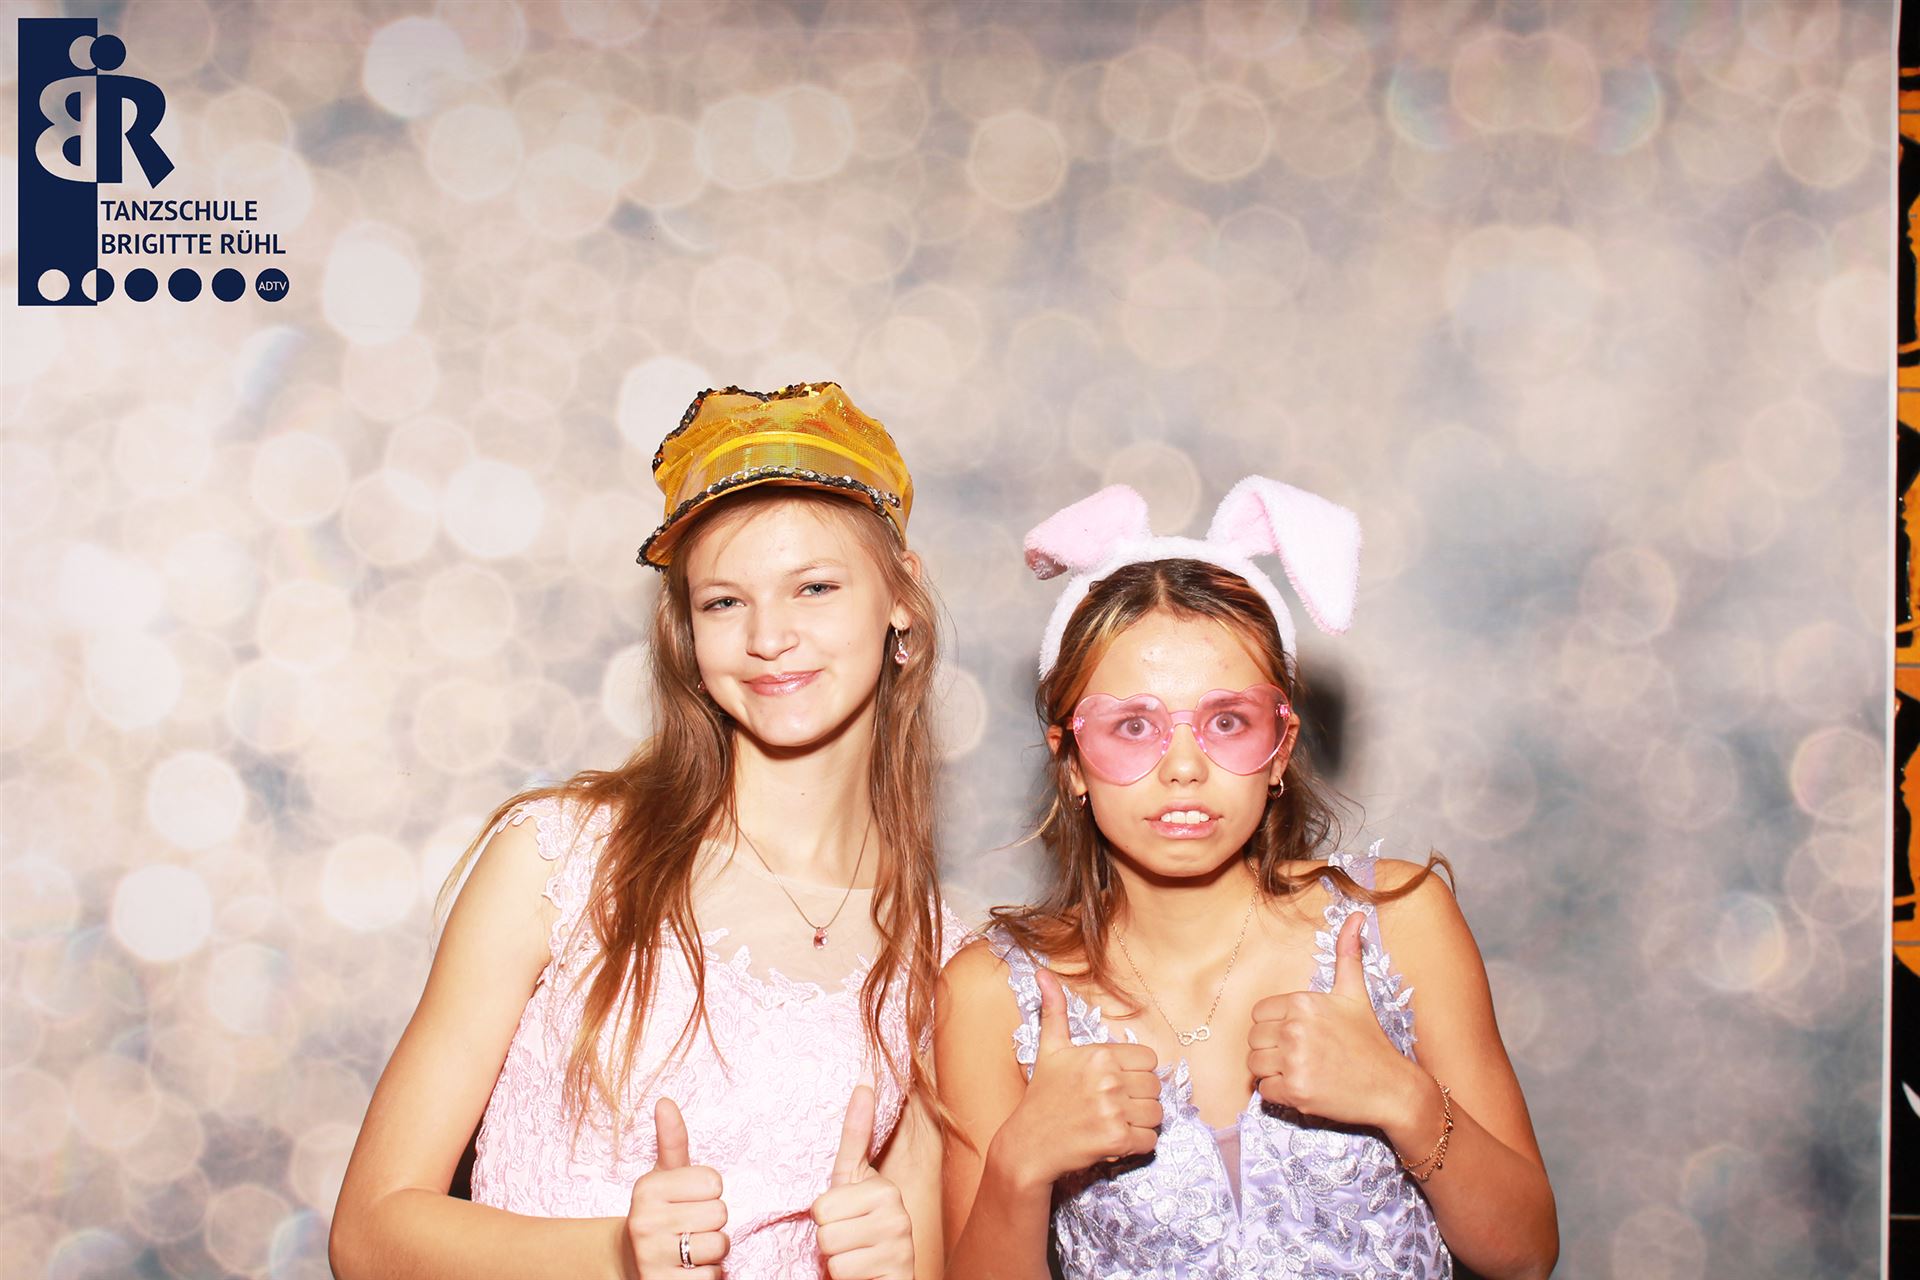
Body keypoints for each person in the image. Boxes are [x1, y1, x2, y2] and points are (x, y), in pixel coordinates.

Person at [331, 382, 959, 1280]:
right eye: (725, 602)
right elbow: (367, 1236)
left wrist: (900, 1269)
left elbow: (919, 1245)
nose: (770, 636)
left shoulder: (942, 957)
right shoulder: (560, 859)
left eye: (815, 587)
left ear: (901, 596)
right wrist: (617, 1253)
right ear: (687, 633)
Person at [937, 478, 1558, 1279]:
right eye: (1133, 725)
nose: (1184, 767)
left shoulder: (1399, 923)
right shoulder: (989, 995)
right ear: (1072, 760)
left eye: (1227, 721)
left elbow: (1526, 1255)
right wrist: (1018, 1168)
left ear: (1280, 747)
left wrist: (1403, 1099)